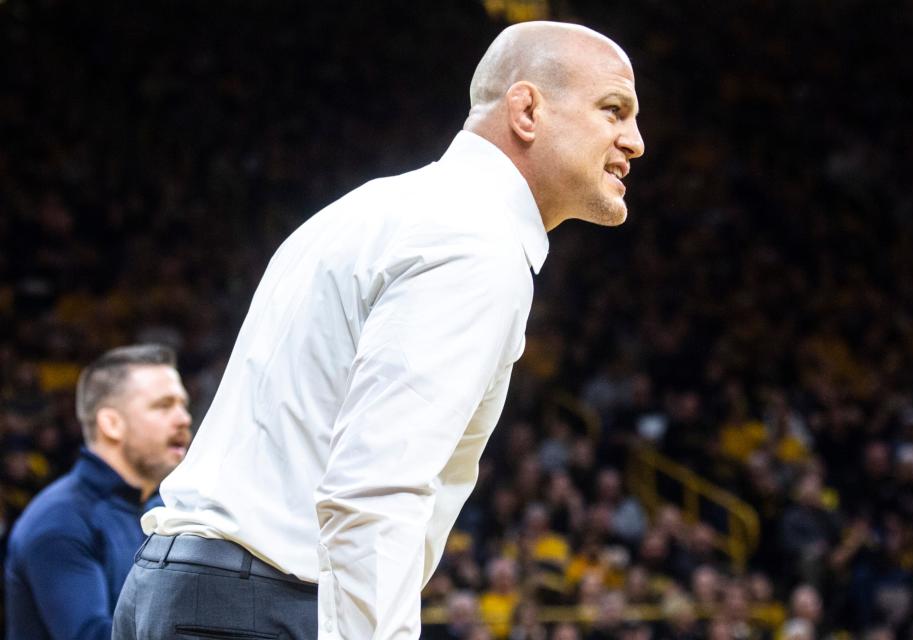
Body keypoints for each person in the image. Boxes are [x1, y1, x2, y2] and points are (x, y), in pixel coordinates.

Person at [113, 19, 644, 640]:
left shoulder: (377, 206)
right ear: (526, 110)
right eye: (614, 110)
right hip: (262, 604)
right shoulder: (474, 239)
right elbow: (375, 489)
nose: (635, 141)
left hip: (182, 589)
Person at [4, 344, 192, 640]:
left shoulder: (160, 509)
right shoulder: (60, 521)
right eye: (163, 405)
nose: (184, 418)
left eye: (183, 404)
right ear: (111, 424)